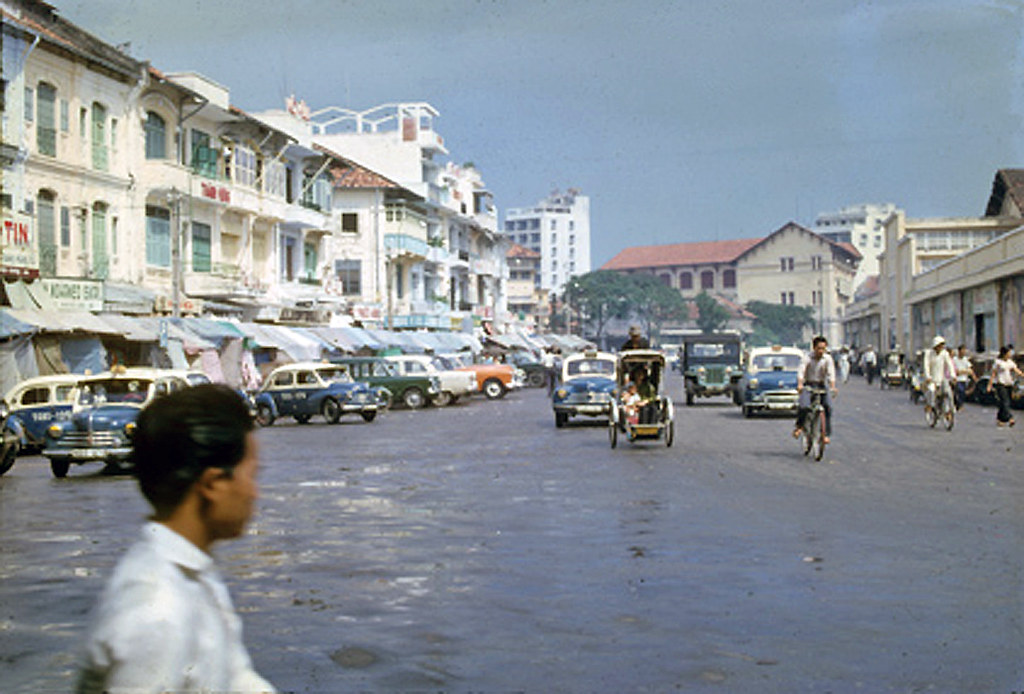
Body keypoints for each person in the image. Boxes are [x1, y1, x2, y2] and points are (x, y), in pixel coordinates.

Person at [76, 384, 276, 694]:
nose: (255, 492)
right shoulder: (156, 610)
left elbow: (236, 678)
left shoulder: (192, 573)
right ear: (213, 483)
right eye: (252, 475)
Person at [793, 335, 838, 444]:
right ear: (814, 348)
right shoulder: (807, 357)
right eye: (819, 348)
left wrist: (832, 387)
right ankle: (799, 427)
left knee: (828, 407)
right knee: (804, 406)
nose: (821, 351)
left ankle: (825, 434)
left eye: (823, 348)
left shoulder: (827, 359)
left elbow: (831, 374)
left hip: (822, 385)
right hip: (808, 385)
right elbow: (801, 371)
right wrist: (800, 385)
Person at [988, 345, 1023, 427]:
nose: (1010, 354)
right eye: (1008, 353)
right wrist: (989, 385)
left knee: (1005, 403)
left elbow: (1016, 370)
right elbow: (993, 374)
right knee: (1005, 401)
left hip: (1009, 384)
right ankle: (1010, 418)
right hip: (1001, 385)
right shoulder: (998, 362)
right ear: (1004, 353)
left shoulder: (1010, 362)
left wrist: (1022, 375)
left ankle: (1000, 418)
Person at [923, 335, 956, 420]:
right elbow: (926, 366)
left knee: (948, 392)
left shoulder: (944, 353)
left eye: (942, 345)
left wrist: (953, 376)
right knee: (931, 391)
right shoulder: (928, 353)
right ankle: (930, 405)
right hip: (931, 379)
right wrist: (928, 376)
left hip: (941, 378)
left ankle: (949, 411)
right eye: (939, 345)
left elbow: (950, 365)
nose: (941, 347)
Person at [952, 344, 975, 411]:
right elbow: (954, 370)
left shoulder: (965, 360)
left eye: (964, 350)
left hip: (964, 379)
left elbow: (970, 369)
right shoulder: (954, 359)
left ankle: (960, 404)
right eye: (962, 350)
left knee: (962, 393)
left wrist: (973, 376)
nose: (964, 352)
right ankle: (957, 404)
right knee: (958, 391)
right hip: (957, 379)